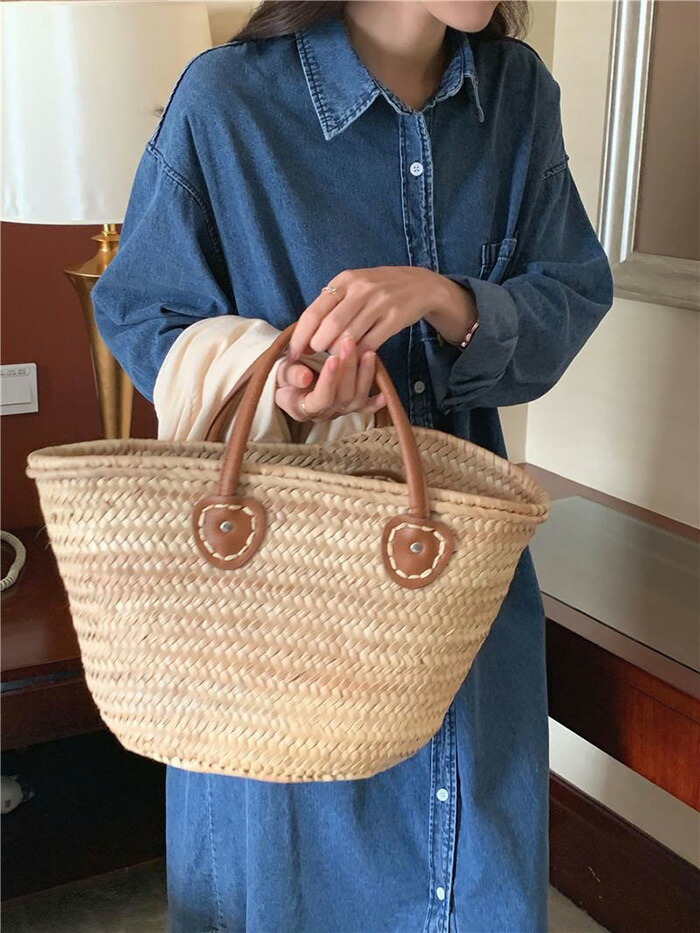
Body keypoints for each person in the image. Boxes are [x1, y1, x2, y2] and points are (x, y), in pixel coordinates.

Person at [91, 2, 614, 930]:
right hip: (282, 607)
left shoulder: (519, 97)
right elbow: (140, 308)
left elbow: (569, 291)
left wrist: (450, 301)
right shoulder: (227, 100)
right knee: (297, 886)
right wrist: (279, 382)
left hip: (462, 590)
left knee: (472, 873)